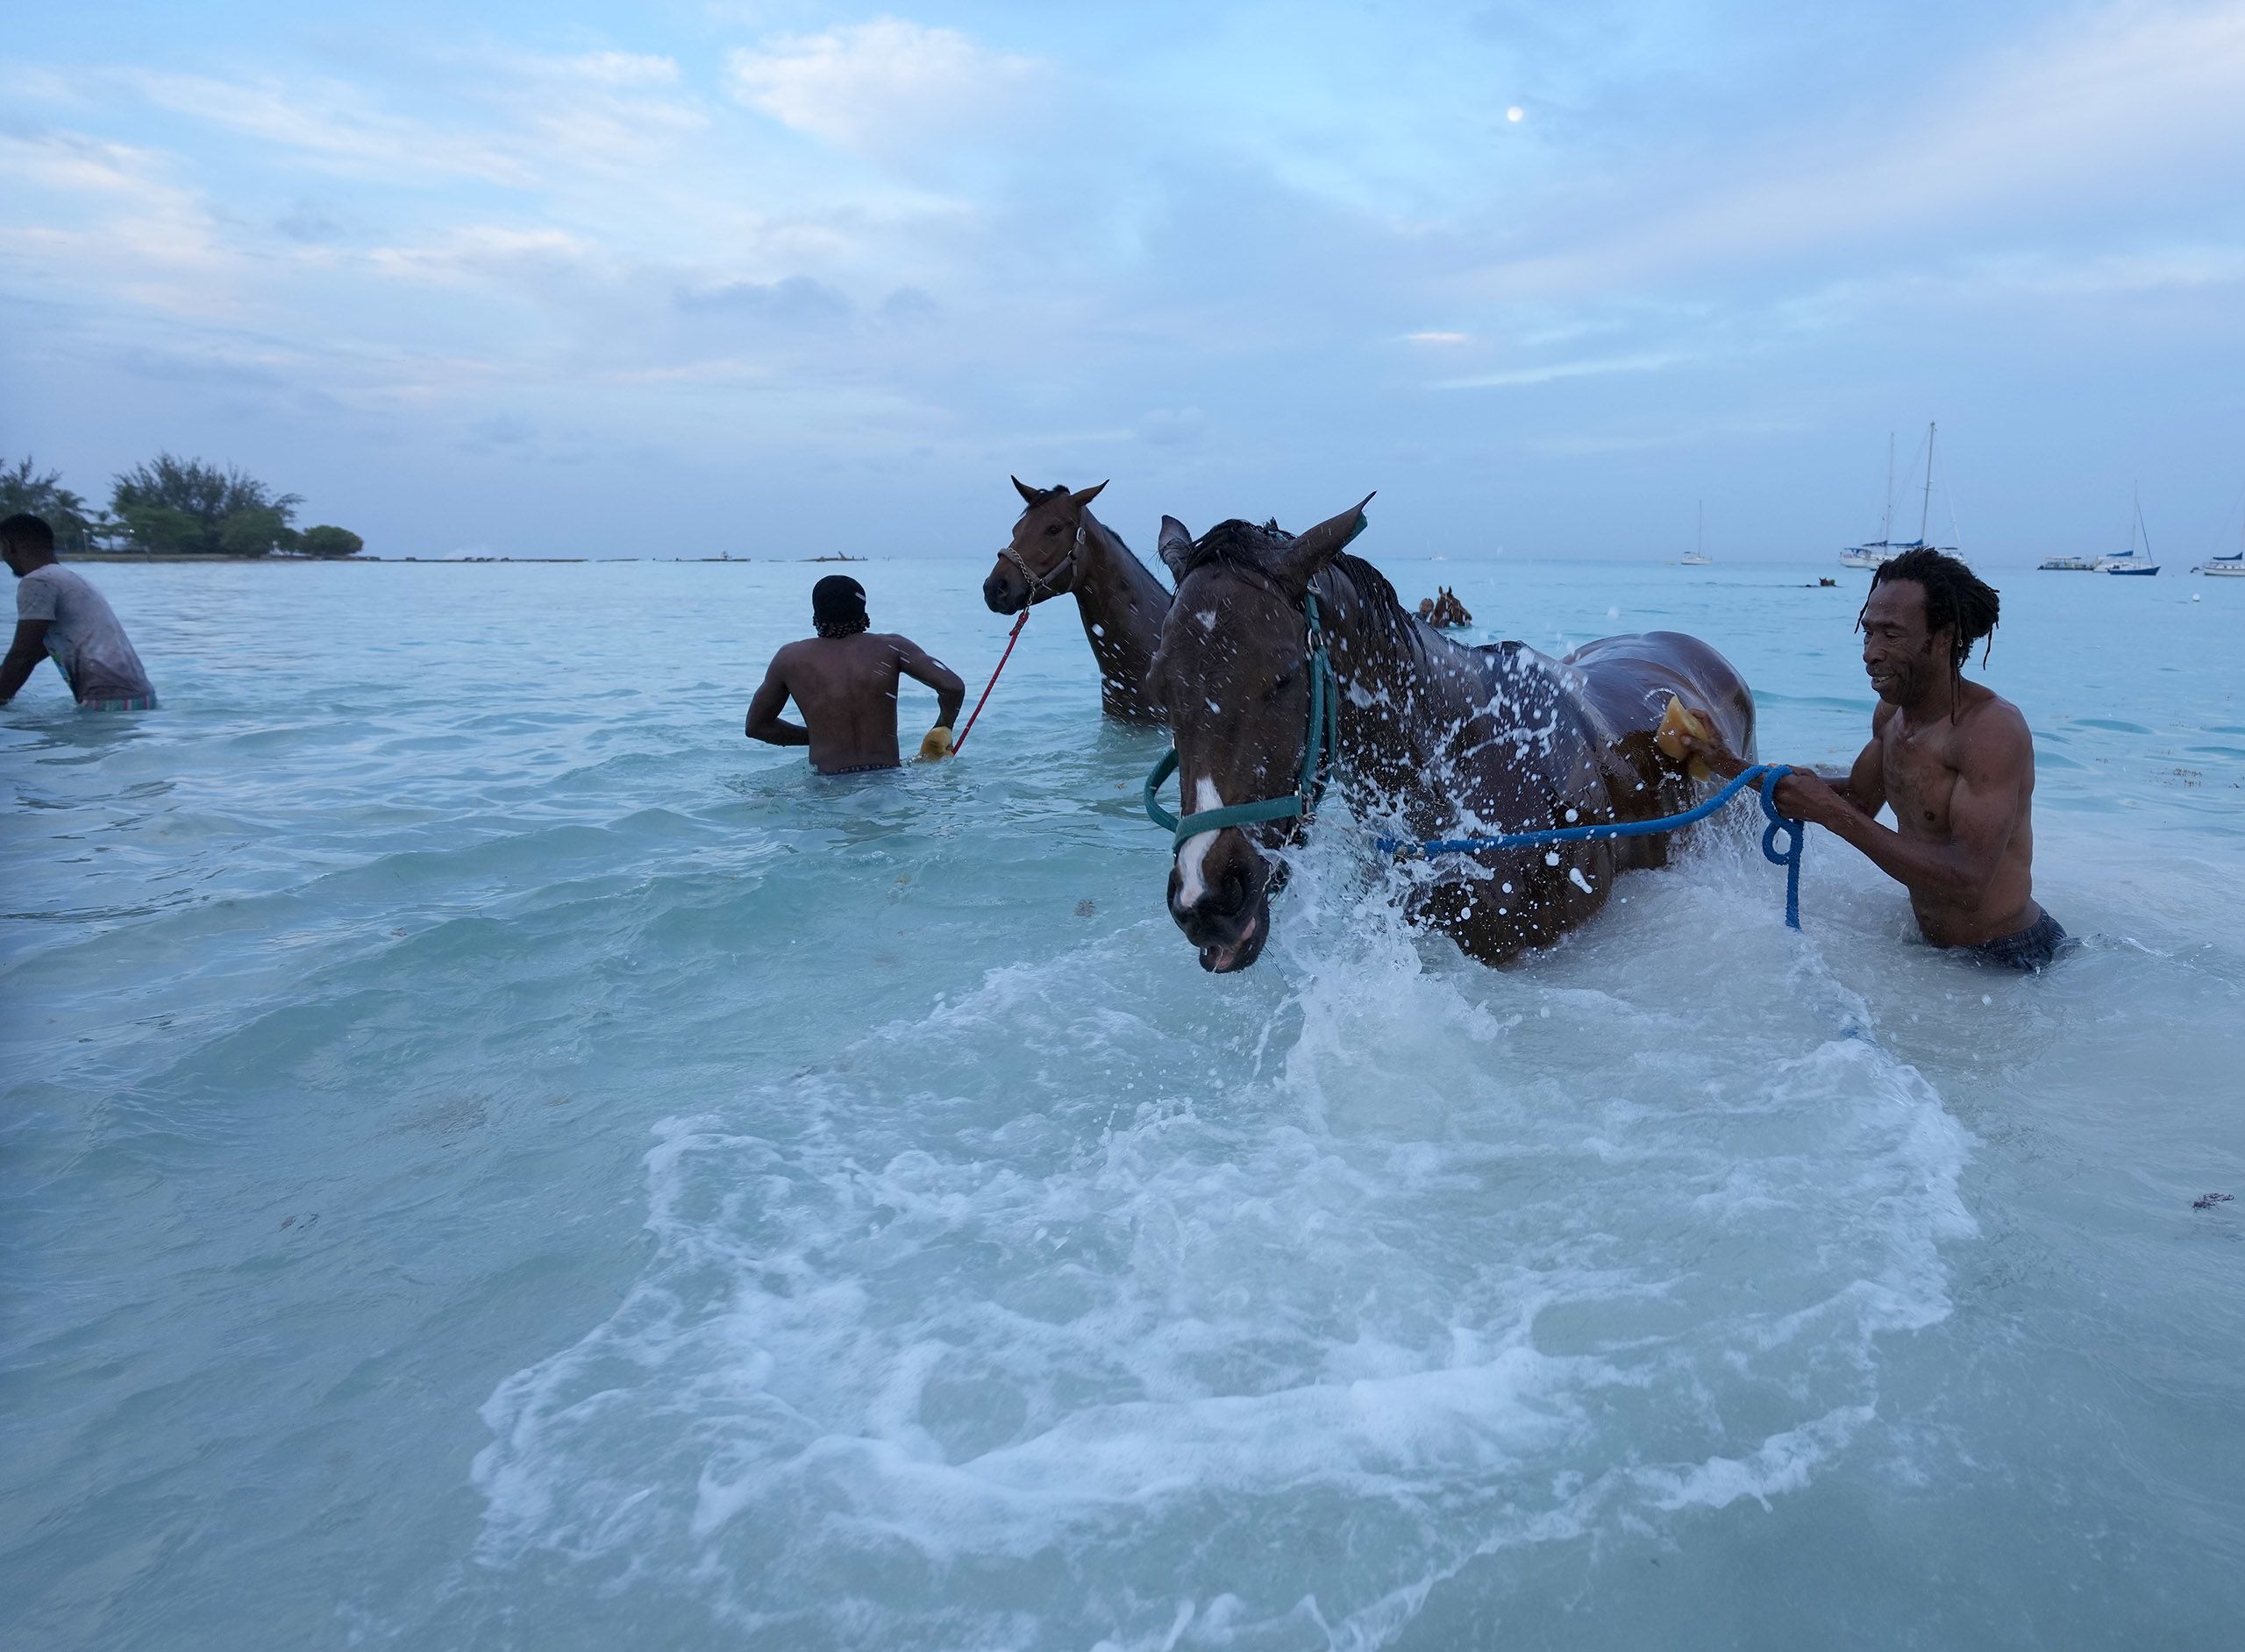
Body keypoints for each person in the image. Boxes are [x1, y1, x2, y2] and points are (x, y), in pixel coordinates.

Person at [1685, 546, 2065, 970]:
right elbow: (1859, 800)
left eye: (1892, 634)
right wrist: (1729, 765)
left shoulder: (1991, 731)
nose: (1870, 652)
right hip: (1937, 951)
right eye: (1868, 633)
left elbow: (1969, 882)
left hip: (2009, 957)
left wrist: (1830, 813)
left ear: (1944, 638)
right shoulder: (1891, 716)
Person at [745, 574, 964, 774]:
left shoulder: (790, 658)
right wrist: (941, 729)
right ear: (863, 610)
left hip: (828, 785)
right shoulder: (892, 648)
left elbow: (757, 726)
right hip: (886, 780)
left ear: (816, 613)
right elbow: (952, 686)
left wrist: (818, 736)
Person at [2, 513, 159, 711]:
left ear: (9, 546)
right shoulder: (70, 579)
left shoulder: (37, 582)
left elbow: (22, 655)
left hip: (105, 701)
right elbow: (35, 650)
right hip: (141, 698)